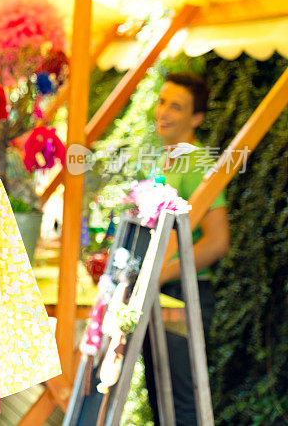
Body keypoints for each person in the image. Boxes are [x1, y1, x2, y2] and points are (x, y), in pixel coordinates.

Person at [142, 72, 230, 426]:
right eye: (162, 101)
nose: (163, 111)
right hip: (161, 295)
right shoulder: (165, 161)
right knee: (162, 403)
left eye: (176, 106)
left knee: (182, 407)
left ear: (197, 119)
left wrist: (160, 275)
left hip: (184, 297)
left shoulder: (198, 165)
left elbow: (218, 240)